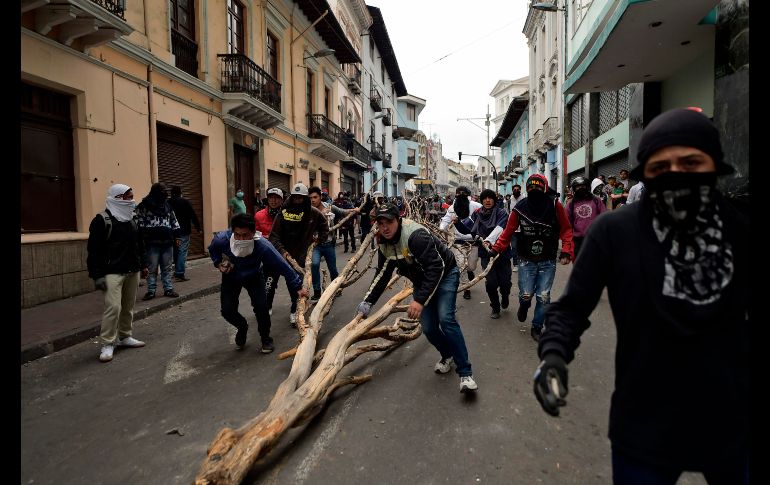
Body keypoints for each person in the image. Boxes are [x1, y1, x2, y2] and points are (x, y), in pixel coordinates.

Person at [532, 108, 748, 483]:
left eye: (692, 162)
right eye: (662, 167)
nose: (677, 175)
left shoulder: (741, 227)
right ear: (645, 175)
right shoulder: (614, 232)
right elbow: (570, 309)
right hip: (643, 422)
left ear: (715, 166)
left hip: (733, 418)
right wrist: (553, 357)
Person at [356, 204, 478, 393]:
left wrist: (419, 300)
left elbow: (436, 268)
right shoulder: (384, 242)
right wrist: (367, 302)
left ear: (399, 220)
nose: (385, 227)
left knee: (446, 319)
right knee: (428, 327)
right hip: (422, 280)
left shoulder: (415, 236)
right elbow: (382, 274)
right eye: (381, 223)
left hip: (445, 273)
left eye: (389, 222)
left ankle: (465, 373)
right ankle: (447, 355)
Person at [487, 173, 574, 341]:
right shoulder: (520, 208)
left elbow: (566, 229)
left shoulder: (555, 206)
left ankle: (537, 327)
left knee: (543, 296)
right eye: (531, 187)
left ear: (545, 188)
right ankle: (524, 306)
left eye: (539, 187)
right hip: (526, 259)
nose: (535, 190)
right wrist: (496, 249)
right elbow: (508, 232)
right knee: (526, 294)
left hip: (548, 259)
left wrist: (566, 250)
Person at [208, 213, 309, 353]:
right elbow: (212, 250)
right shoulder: (221, 240)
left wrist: (298, 286)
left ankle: (266, 339)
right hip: (231, 276)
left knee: (262, 308)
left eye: (245, 235)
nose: (241, 239)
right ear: (232, 232)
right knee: (227, 310)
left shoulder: (263, 245)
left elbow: (282, 265)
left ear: (253, 233)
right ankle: (242, 327)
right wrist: (218, 263)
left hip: (254, 276)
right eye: (237, 235)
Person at [86, 184, 148, 363]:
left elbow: (139, 244)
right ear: (118, 197)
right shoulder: (101, 220)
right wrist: (96, 275)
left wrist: (143, 265)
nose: (131, 200)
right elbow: (94, 251)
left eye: (132, 196)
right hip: (111, 272)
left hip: (132, 270)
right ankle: (107, 342)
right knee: (113, 307)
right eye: (128, 197)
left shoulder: (132, 219)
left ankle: (125, 336)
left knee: (128, 306)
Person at [268, 183, 329, 326]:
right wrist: (282, 252)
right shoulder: (283, 213)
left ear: (305, 199)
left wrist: (319, 241)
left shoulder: (313, 213)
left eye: (300, 198)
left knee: (296, 287)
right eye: (295, 198)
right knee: (270, 284)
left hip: (301, 258)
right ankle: (266, 308)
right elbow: (273, 236)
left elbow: (324, 226)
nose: (297, 201)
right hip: (281, 257)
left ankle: (295, 312)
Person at [454, 189, 512, 319]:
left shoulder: (502, 213)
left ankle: (505, 295)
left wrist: (487, 240)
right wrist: (458, 223)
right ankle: (495, 307)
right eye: (484, 198)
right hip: (486, 254)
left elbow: (500, 229)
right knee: (491, 282)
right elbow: (469, 230)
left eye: (490, 198)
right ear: (481, 200)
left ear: (494, 200)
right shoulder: (477, 214)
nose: (487, 200)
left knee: (505, 282)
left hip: (502, 253)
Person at [308, 186, 359, 300]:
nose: (313, 200)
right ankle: (317, 291)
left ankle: (336, 289)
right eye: (310, 198)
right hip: (315, 245)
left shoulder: (330, 207)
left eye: (315, 197)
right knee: (315, 265)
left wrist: (354, 210)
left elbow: (342, 212)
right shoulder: (308, 211)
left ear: (320, 197)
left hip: (329, 244)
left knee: (333, 269)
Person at [135, 183, 181, 300]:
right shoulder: (144, 206)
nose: (165, 193)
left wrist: (177, 237)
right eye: (162, 191)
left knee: (167, 267)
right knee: (152, 268)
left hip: (167, 241)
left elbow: (174, 221)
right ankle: (151, 291)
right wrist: (144, 236)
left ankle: (168, 289)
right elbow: (138, 222)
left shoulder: (167, 206)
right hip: (152, 242)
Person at [439, 186, 482, 300]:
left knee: (471, 266)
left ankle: (469, 272)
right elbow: (445, 220)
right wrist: (442, 229)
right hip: (458, 241)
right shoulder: (452, 208)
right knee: (460, 265)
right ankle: (466, 288)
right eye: (459, 195)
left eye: (464, 195)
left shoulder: (477, 206)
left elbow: (484, 217)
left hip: (473, 240)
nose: (461, 197)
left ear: (468, 196)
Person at [565, 176, 605, 258]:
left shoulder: (596, 200)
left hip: (595, 238)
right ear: (574, 189)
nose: (581, 188)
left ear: (588, 187)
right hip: (577, 240)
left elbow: (604, 217)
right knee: (579, 264)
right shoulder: (571, 203)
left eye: (583, 186)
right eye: (578, 187)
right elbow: (567, 224)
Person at [168, 186, 202, 282]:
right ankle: (179, 273)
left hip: (172, 231)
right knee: (182, 251)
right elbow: (193, 215)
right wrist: (198, 228)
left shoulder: (168, 203)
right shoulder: (185, 202)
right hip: (184, 231)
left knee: (175, 251)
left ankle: (176, 272)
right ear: (180, 193)